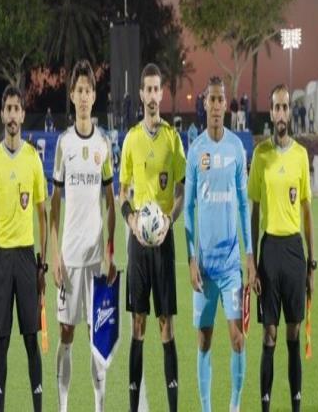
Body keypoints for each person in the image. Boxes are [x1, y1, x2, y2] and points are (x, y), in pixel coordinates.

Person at [184, 76, 256, 412]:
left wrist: (249, 254)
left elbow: (243, 205)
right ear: (205, 104)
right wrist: (190, 258)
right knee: (203, 340)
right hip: (204, 267)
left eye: (220, 100)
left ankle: (235, 406)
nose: (215, 105)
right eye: (210, 99)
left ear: (226, 105)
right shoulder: (195, 150)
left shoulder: (236, 149)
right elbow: (187, 208)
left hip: (229, 267)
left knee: (238, 339)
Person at [50, 60, 117, 412]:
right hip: (69, 257)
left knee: (96, 336)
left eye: (89, 90)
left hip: (94, 261)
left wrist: (110, 250)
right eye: (79, 90)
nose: (84, 96)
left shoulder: (104, 145)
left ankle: (98, 406)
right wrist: (55, 254)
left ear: (94, 95)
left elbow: (111, 202)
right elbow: (55, 202)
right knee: (66, 334)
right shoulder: (64, 144)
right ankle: (62, 407)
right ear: (72, 96)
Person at [119, 63, 186, 412]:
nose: (152, 95)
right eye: (147, 89)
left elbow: (181, 191)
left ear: (162, 93)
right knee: (138, 323)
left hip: (163, 243)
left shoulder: (173, 140)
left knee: (165, 325)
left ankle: (173, 407)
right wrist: (132, 219)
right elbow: (122, 192)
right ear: (141, 94)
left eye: (156, 89)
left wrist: (169, 221)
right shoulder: (131, 139)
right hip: (138, 245)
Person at [248, 84, 316, 412]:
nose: (281, 113)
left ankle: (295, 406)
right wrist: (252, 262)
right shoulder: (260, 155)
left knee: (293, 332)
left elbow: (307, 211)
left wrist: (312, 264)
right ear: (270, 112)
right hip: (270, 250)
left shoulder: (301, 155)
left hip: (294, 251)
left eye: (285, 107)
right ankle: (265, 406)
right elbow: (253, 211)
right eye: (276, 107)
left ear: (290, 112)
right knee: (269, 335)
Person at [0, 85, 48, 412]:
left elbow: (42, 214)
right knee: (2, 341)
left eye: (16, 109)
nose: (11, 115)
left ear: (22, 115)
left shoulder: (33, 158)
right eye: (7, 108)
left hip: (25, 258)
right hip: (1, 260)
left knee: (32, 339)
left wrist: (42, 265)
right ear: (2, 114)